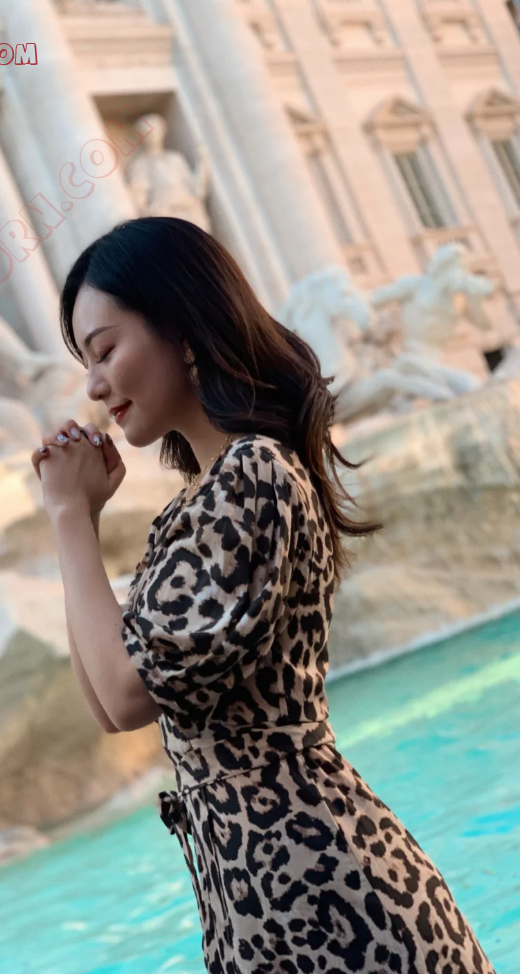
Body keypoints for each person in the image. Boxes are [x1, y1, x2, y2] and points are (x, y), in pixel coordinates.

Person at [30, 218, 496, 974]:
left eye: (106, 350)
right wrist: (75, 520)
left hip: (329, 896)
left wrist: (66, 517)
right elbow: (106, 705)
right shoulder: (195, 505)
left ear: (182, 330)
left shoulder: (253, 474)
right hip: (262, 901)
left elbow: (124, 692)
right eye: (86, 362)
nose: (93, 384)